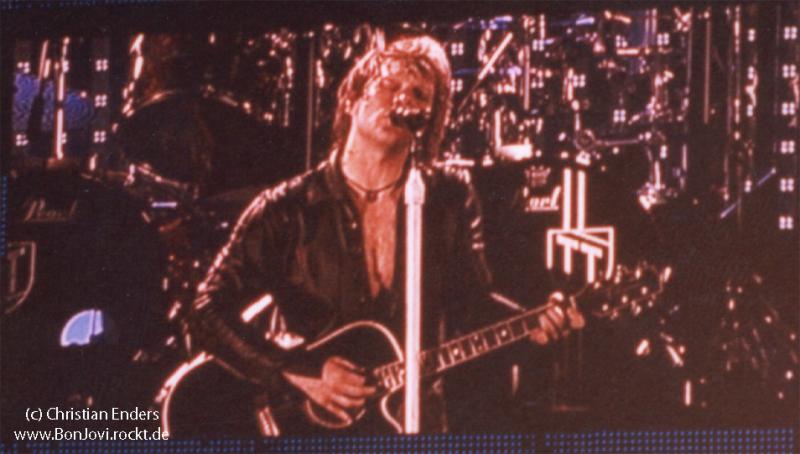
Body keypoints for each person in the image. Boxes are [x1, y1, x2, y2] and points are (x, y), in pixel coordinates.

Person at [188, 33, 583, 434]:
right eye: (389, 85)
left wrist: (531, 323)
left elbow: (470, 305)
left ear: (430, 119)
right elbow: (205, 310)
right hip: (306, 427)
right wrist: (298, 371)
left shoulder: (447, 198)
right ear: (352, 99)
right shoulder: (289, 209)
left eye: (418, 94)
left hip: (411, 423)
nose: (403, 99)